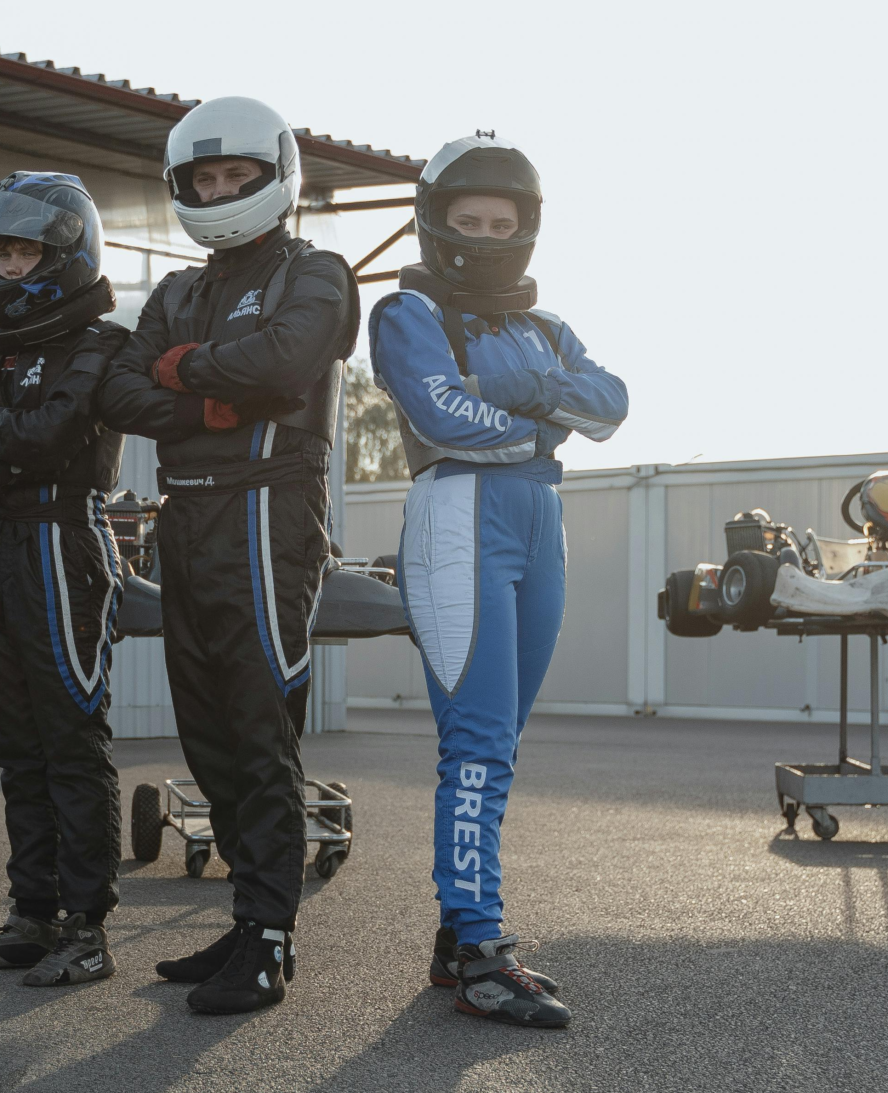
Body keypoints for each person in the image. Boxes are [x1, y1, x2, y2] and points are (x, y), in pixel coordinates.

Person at [101, 98, 359, 1015]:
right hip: (185, 516)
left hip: (267, 511)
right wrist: (217, 395)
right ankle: (246, 922)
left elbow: (286, 362)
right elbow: (117, 393)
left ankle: (271, 940)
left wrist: (179, 371)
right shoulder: (175, 292)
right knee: (208, 737)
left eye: (234, 177)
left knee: (259, 732)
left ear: (274, 177)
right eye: (202, 180)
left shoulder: (315, 270)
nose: (217, 193)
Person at [367, 132, 626, 1029]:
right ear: (434, 222)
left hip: (539, 520)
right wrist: (543, 414)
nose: (483, 236)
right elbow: (442, 415)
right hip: (457, 516)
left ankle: (457, 936)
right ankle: (481, 952)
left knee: (500, 745)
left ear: (526, 230)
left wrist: (514, 388)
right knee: (475, 745)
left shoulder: (544, 326)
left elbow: (612, 402)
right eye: (467, 221)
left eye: (500, 224)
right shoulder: (407, 311)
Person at [0, 173, 129, 988]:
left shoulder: (101, 345)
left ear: (66, 256)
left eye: (26, 253)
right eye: (1, 252)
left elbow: (48, 438)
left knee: (71, 743)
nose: (10, 267)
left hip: (62, 544)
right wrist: (0, 438)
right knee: (17, 748)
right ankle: (32, 916)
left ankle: (88, 928)